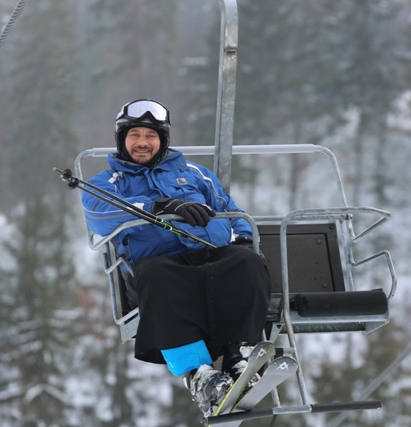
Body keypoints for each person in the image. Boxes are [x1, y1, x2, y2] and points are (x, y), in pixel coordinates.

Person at [81, 99, 271, 417]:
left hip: (212, 256)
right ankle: (200, 375)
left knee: (247, 262)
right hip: (161, 265)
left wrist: (243, 236)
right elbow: (97, 214)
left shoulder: (195, 173)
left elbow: (229, 206)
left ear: (163, 139)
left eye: (151, 135)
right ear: (121, 139)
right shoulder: (107, 184)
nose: (142, 142)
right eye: (134, 135)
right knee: (158, 274)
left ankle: (241, 354)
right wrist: (158, 207)